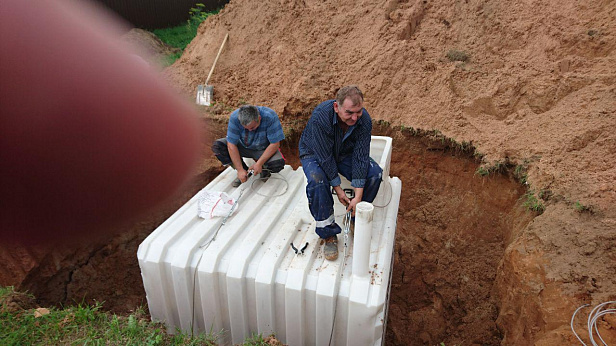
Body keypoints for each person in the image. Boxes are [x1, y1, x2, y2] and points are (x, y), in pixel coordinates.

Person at [299, 86, 383, 261]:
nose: (355, 117)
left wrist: (358, 195)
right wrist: (338, 189)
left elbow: (360, 156)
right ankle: (328, 233)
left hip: (345, 152)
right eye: (350, 112)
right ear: (337, 107)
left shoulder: (363, 120)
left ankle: (354, 215)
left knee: (374, 174)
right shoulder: (321, 117)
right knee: (318, 181)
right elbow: (324, 157)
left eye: (358, 112)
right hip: (314, 152)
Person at [212, 105, 286, 187]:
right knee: (218, 147)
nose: (250, 130)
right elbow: (231, 145)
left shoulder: (270, 117)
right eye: (246, 128)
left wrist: (259, 163)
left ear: (259, 118)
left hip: (262, 149)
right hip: (243, 146)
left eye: (252, 127)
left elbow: (275, 144)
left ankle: (264, 170)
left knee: (277, 164)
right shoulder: (235, 118)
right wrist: (240, 169)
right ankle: (244, 172)